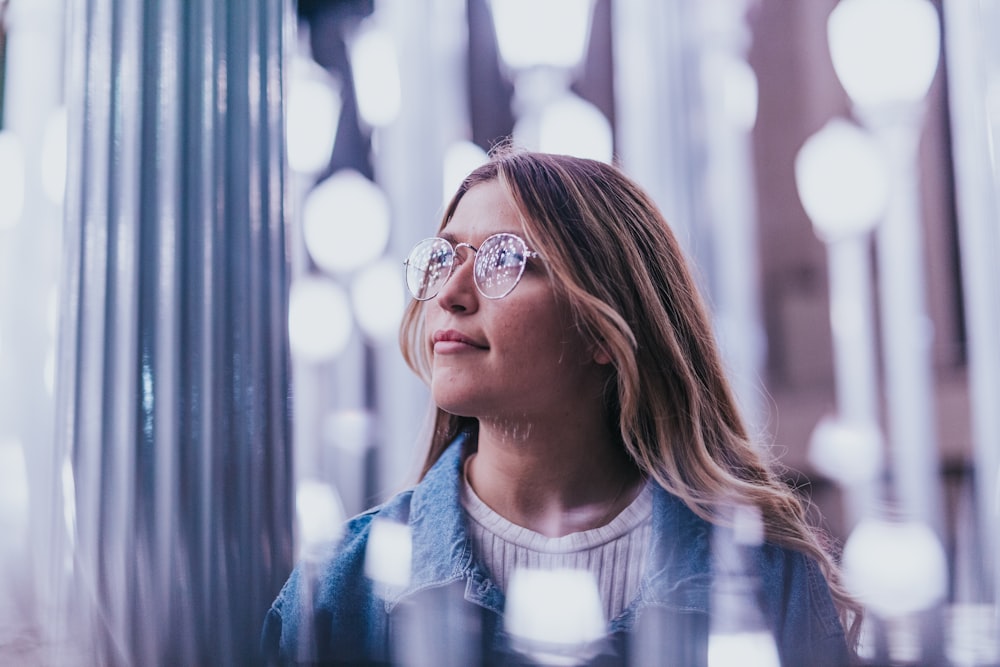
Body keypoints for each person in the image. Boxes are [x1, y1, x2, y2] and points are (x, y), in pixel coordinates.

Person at [261, 147, 860, 666]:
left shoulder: (766, 580)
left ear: (605, 328)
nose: (449, 294)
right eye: (443, 259)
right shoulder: (339, 592)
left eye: (503, 260)